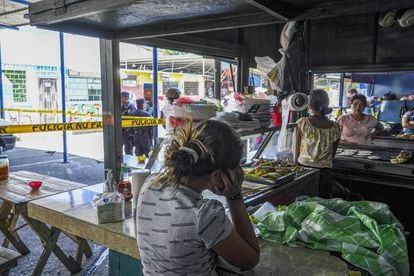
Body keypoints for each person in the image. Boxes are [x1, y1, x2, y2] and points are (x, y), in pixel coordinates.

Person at [137, 120, 260, 275]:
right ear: (217, 175)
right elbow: (249, 260)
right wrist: (235, 196)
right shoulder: (205, 214)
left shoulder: (150, 183)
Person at [295, 89, 348, 198]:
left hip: (304, 169)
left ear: (309, 105)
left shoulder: (303, 123)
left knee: (305, 201)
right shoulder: (335, 127)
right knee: (322, 203)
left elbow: (296, 149)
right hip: (325, 172)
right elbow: (332, 153)